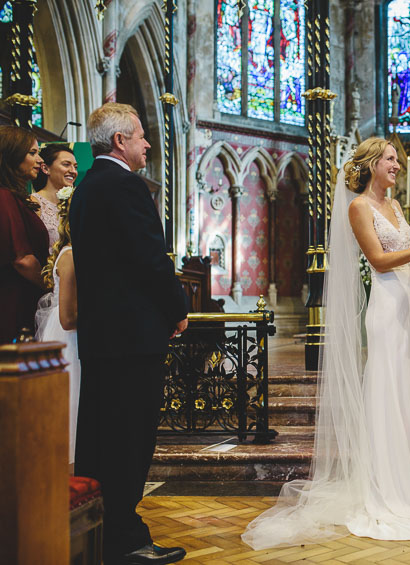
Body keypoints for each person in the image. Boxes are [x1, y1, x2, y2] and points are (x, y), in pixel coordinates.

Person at [243, 138, 410, 548]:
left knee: (406, 394)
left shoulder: (393, 206)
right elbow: (378, 260)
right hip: (386, 307)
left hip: (407, 305)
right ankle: (383, 491)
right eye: (390, 159)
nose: (397, 165)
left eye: (397, 160)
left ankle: (407, 489)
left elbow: (409, 251)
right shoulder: (360, 207)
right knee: (387, 393)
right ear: (372, 164)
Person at [69, 103, 188, 565]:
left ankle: (96, 533)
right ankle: (126, 538)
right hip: (133, 338)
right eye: (141, 136)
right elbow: (150, 260)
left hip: (102, 338)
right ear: (119, 141)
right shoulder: (125, 187)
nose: (147, 144)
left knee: (99, 438)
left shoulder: (86, 188)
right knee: (129, 441)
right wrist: (178, 310)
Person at [34, 185, 79, 467]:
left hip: (69, 337)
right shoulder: (71, 255)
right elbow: (68, 318)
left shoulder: (73, 252)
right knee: (70, 409)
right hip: (69, 341)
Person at [0, 125, 48, 343]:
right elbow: (22, 260)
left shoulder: (14, 197)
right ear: (11, 154)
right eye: (32, 153)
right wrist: (54, 288)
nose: (40, 160)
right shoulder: (5, 198)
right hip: (14, 305)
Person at [31, 143, 78, 248]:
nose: (73, 171)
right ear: (45, 168)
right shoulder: (34, 203)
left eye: (75, 167)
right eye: (66, 164)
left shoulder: (76, 202)